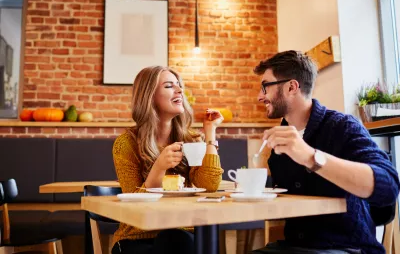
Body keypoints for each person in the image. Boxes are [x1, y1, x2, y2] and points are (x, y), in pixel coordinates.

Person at [252, 51, 400, 254]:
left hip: (348, 248)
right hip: (296, 247)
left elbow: (389, 186)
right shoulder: (280, 143)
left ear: (291, 87)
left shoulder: (342, 126)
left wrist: (311, 157)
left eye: (265, 87)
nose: (260, 96)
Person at [111, 66, 224, 254]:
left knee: (177, 238)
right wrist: (159, 167)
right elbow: (134, 209)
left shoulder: (191, 139)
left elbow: (209, 185)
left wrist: (210, 132)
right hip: (138, 239)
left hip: (183, 234)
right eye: (169, 86)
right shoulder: (126, 144)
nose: (179, 90)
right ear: (149, 96)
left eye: (179, 86)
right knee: (174, 240)